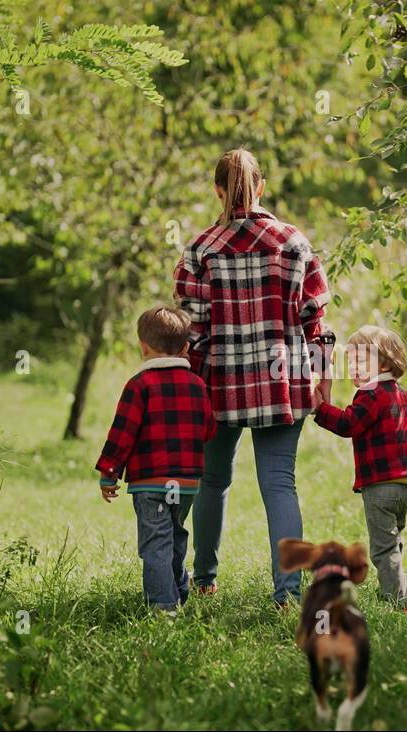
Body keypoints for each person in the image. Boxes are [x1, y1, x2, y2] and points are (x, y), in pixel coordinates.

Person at [174, 147, 333, 607]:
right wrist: (323, 377)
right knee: (280, 483)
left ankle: (204, 579)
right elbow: (314, 321)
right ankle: (287, 594)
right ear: (261, 187)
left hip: (218, 385)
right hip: (282, 384)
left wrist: (189, 384)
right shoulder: (293, 242)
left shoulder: (200, 249)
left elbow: (192, 331)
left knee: (212, 480)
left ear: (217, 190)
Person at [95, 305, 216, 614]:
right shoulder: (198, 386)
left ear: (143, 346)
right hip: (186, 483)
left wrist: (109, 473)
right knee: (175, 533)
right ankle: (178, 590)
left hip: (150, 482)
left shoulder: (139, 386)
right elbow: (208, 429)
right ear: (186, 348)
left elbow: (122, 435)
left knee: (155, 541)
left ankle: (164, 607)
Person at [313, 325, 407, 612]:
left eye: (360, 361)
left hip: (381, 486)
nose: (353, 367)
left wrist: (320, 410)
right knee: (392, 543)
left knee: (383, 548)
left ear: (383, 363)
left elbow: (349, 424)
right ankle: (392, 587)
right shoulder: (404, 396)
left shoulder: (371, 395)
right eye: (351, 361)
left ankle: (399, 603)